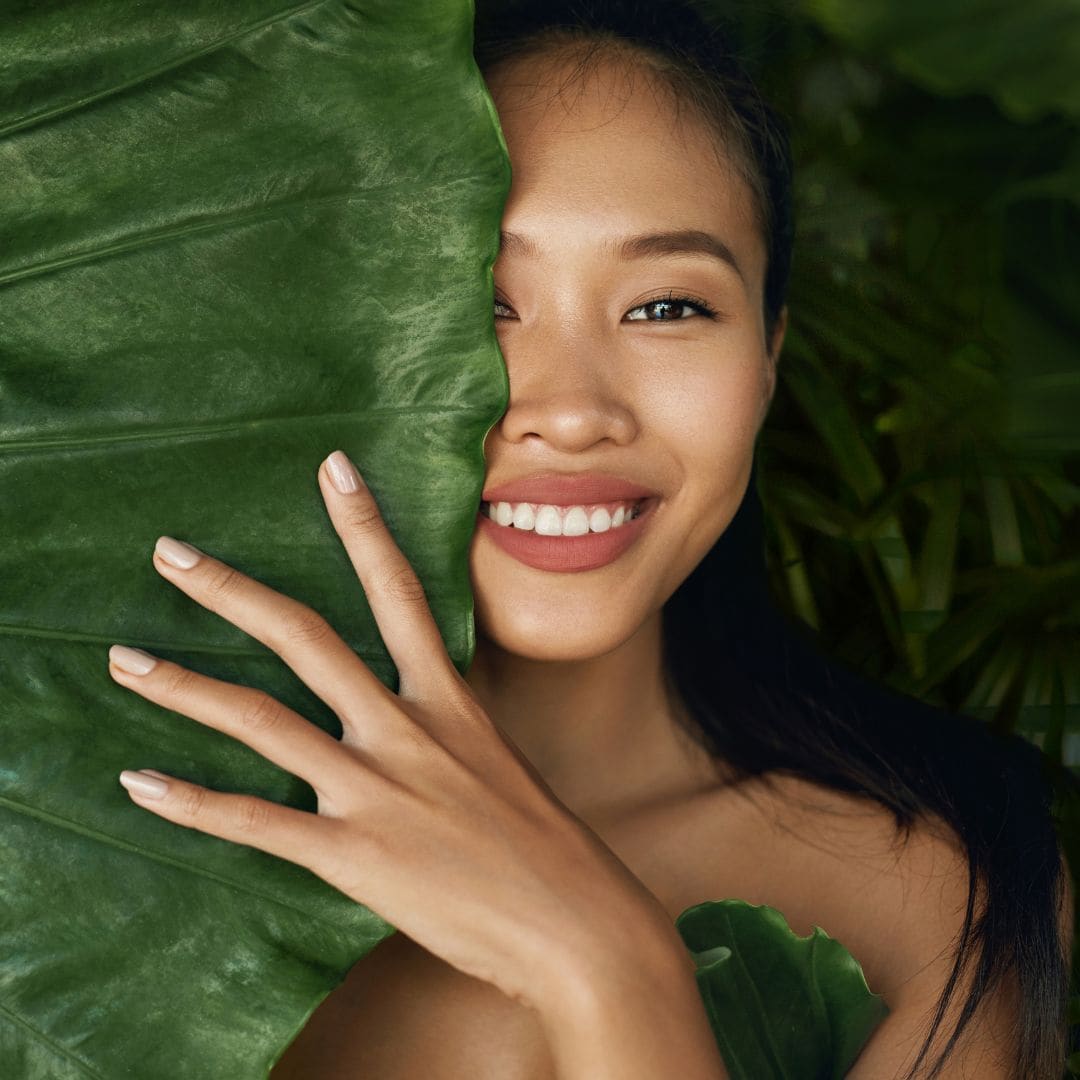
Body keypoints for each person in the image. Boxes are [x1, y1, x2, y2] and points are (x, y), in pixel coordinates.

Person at [105, 1, 1073, 1077]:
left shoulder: (939, 889)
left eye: (666, 307)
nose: (571, 413)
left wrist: (604, 966)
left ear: (769, 358)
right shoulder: (111, 848)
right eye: (478, 300)